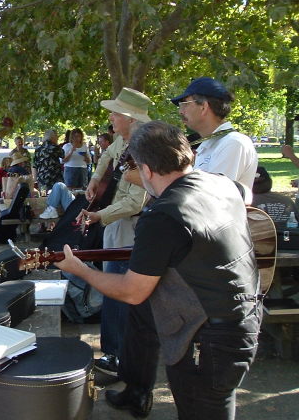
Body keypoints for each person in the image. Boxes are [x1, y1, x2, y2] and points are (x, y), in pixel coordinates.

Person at [56, 121, 261, 419]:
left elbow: (132, 291)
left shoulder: (162, 215)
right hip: (246, 318)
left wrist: (80, 269)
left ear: (147, 170)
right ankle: (136, 391)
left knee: (203, 408)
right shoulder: (220, 183)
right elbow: (248, 196)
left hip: (212, 340)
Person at [81, 87, 151, 377]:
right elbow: (106, 156)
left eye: (115, 113)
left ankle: (118, 357)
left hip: (131, 228)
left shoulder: (144, 148)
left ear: (131, 118)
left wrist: (99, 215)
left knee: (119, 294)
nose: (110, 116)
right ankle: (118, 354)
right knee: (114, 291)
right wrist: (96, 179)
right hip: (118, 224)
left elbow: (136, 201)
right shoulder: (124, 141)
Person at [171, 76, 257, 202]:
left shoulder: (233, 143)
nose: (181, 111)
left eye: (185, 104)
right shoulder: (210, 144)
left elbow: (212, 197)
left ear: (204, 107)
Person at [32, 129, 65, 193]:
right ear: (53, 137)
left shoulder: (38, 149)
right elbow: (63, 155)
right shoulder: (56, 148)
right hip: (55, 176)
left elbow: (34, 165)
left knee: (43, 195)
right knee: (56, 195)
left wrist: (35, 180)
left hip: (42, 177)